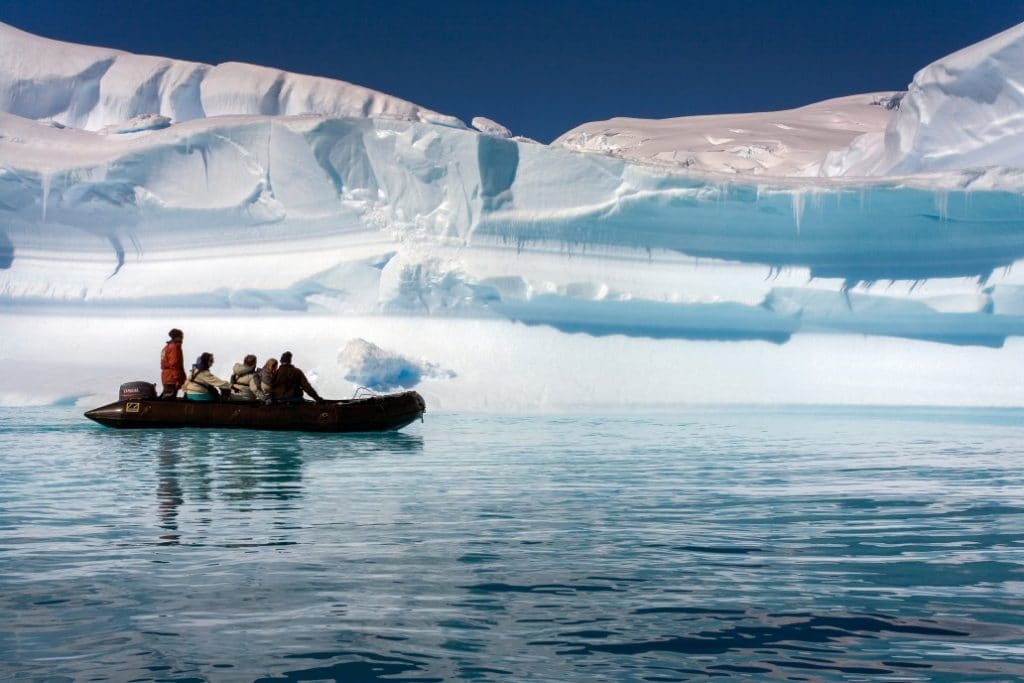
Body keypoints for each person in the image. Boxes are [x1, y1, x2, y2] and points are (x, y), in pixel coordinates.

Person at [159, 328, 186, 398]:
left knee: (166, 398)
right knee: (169, 402)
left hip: (166, 376)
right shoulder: (174, 347)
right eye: (182, 336)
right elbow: (174, 364)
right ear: (179, 336)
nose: (183, 338)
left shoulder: (166, 347)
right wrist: (177, 378)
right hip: (172, 378)